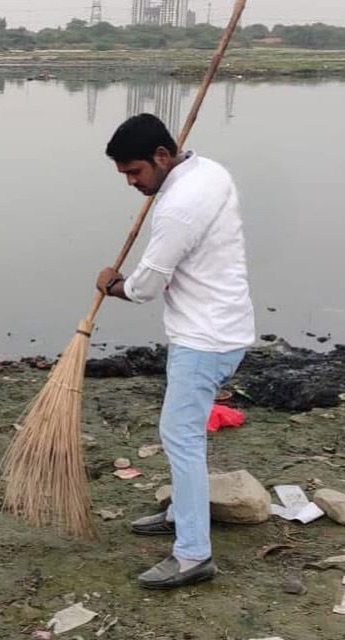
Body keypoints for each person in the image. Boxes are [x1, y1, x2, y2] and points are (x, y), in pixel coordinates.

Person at [95, 114, 255, 589]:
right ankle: (181, 515)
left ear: (163, 156)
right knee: (183, 432)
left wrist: (113, 284)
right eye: (124, 174)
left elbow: (146, 287)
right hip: (226, 325)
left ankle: (192, 555)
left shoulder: (179, 207)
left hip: (204, 338)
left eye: (135, 172)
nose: (131, 182)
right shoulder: (211, 172)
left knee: (180, 436)